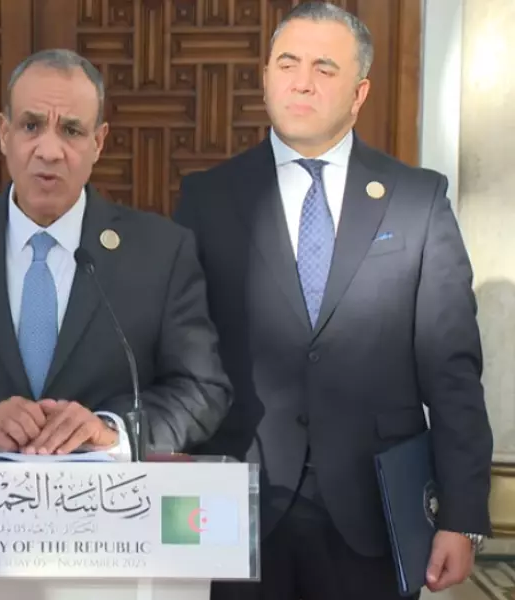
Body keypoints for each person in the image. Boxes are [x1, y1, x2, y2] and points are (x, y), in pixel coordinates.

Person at [173, 2, 493, 599]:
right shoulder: (207, 198)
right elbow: (181, 353)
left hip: (376, 510)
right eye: (287, 63)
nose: (302, 81)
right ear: (265, 77)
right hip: (239, 503)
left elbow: (452, 369)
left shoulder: (417, 201)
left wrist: (462, 512)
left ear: (359, 92)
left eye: (324, 68)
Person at [0, 49, 231, 461]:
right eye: (31, 126)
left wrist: (112, 430)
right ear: (4, 133)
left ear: (98, 142)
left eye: (71, 130)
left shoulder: (161, 252)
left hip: (110, 498)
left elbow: (201, 391)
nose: (49, 151)